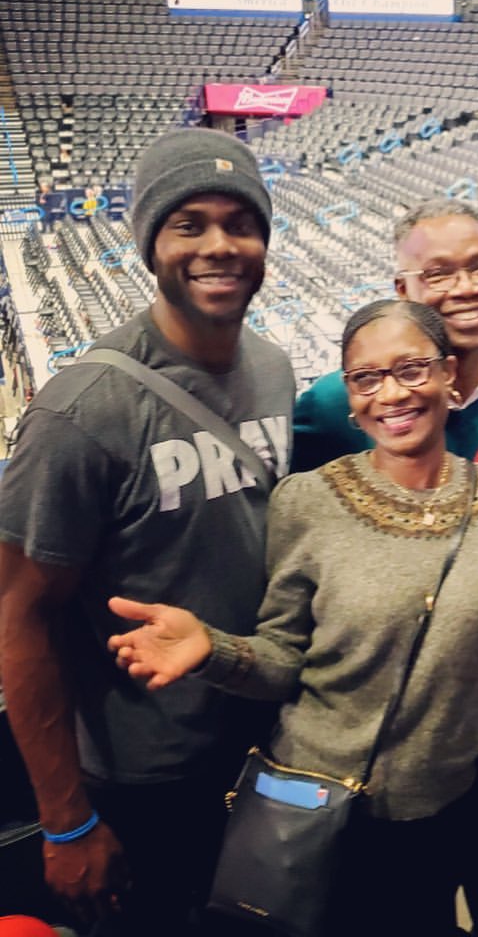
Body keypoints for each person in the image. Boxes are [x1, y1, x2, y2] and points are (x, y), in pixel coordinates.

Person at [105, 298, 478, 937]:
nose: (392, 393)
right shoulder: (308, 501)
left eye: (412, 369)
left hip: (439, 810)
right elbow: (284, 661)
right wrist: (213, 650)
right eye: (367, 377)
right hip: (315, 805)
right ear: (348, 393)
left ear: (448, 374)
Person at [0, 127, 295, 937]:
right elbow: (20, 618)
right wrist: (64, 822)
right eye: (188, 223)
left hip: (260, 744)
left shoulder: (273, 369)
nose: (220, 246)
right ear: (148, 243)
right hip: (145, 779)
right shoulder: (80, 411)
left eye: (241, 222)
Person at [293, 198, 478, 937]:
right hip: (401, 691)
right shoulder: (329, 405)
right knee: (417, 874)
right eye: (438, 272)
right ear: (403, 287)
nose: (466, 287)